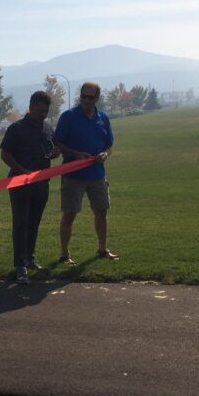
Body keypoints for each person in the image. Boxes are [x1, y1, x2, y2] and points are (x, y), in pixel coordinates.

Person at [54, 82, 117, 264]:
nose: (86, 100)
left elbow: (109, 144)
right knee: (69, 214)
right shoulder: (68, 117)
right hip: (73, 176)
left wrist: (105, 153)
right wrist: (75, 154)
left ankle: (102, 249)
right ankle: (65, 255)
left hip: (97, 174)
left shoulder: (103, 118)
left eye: (90, 97)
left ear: (97, 98)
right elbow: (58, 142)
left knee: (101, 212)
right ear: (79, 96)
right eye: (83, 96)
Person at [0, 91, 60, 284]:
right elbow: (5, 155)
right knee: (21, 224)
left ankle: (30, 259)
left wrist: (54, 153)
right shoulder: (16, 129)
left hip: (41, 184)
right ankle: (20, 266)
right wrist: (22, 171)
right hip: (19, 185)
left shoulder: (48, 127)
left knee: (34, 223)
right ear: (31, 106)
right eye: (40, 110)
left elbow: (53, 150)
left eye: (46, 111)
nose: (43, 114)